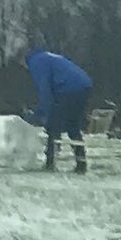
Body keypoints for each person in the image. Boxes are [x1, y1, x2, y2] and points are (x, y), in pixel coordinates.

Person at [22, 44, 93, 174]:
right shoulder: (48, 56)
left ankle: (50, 162)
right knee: (73, 126)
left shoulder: (36, 62)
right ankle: (81, 163)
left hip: (68, 89)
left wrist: (41, 113)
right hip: (84, 85)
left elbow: (45, 89)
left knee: (53, 125)